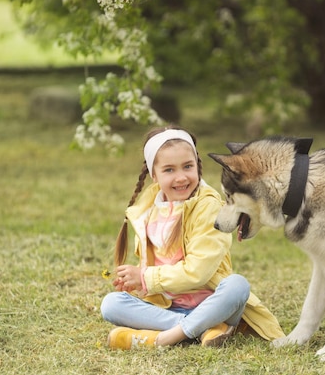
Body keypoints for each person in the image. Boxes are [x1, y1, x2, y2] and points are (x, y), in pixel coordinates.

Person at [100, 126, 284, 349]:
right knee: (111, 304)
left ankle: (164, 337)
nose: (180, 177)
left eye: (188, 166)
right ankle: (201, 329)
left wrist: (146, 278)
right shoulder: (148, 209)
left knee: (238, 286)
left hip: (214, 305)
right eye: (169, 170)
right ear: (154, 174)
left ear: (197, 165)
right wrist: (138, 282)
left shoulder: (208, 206)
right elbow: (156, 266)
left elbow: (198, 271)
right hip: (168, 307)